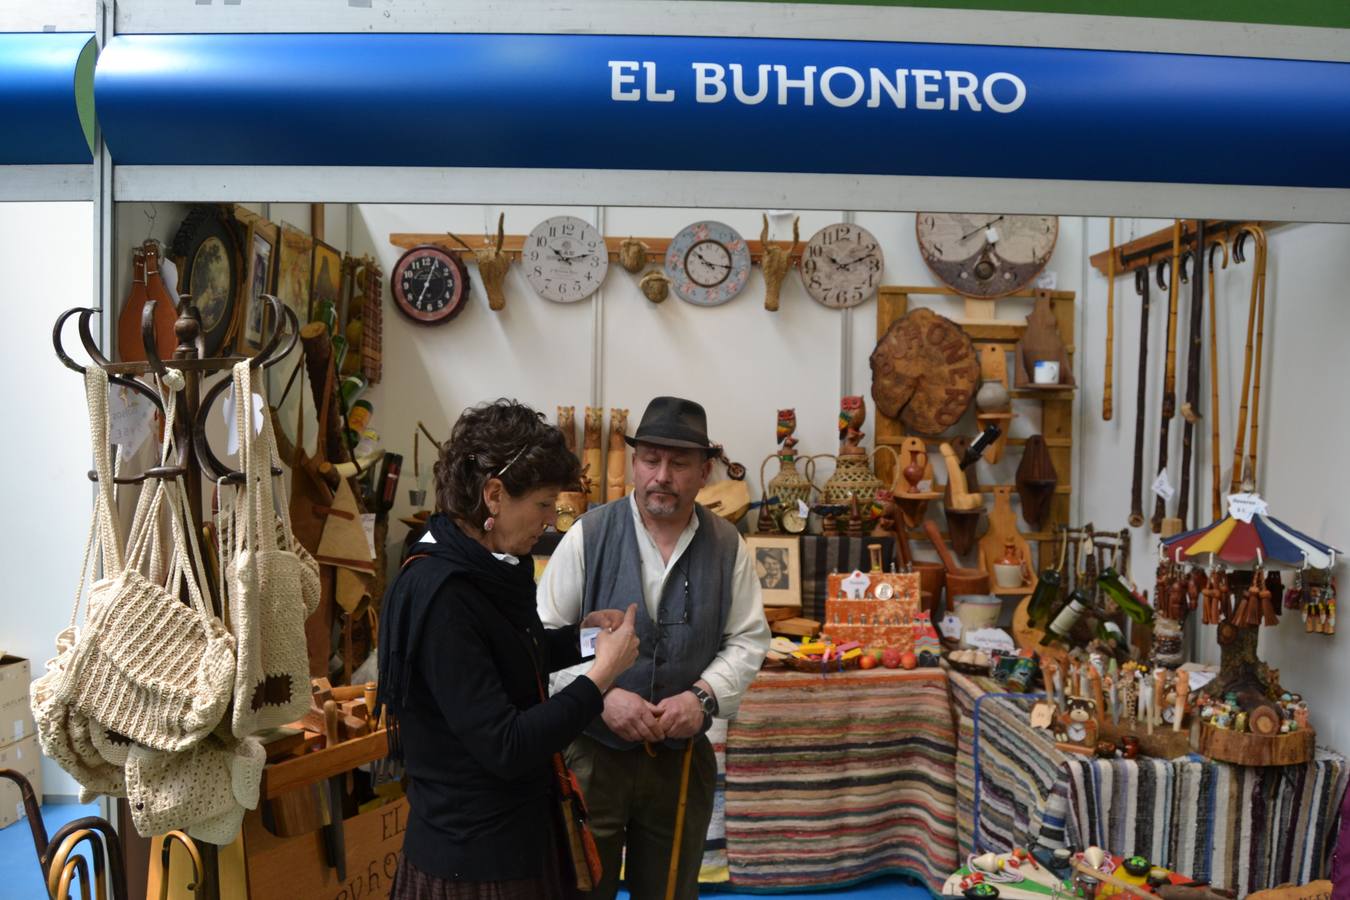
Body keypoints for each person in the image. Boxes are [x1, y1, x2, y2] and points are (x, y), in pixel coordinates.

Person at [378, 399, 641, 899]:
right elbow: (507, 745)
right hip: (474, 868)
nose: (549, 520)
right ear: (493, 494)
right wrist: (600, 678)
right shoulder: (445, 596)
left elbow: (510, 653)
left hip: (508, 842)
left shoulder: (479, 567)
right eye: (543, 504)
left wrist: (587, 639)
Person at [537, 396, 771, 900]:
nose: (661, 475)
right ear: (635, 464)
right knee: (581, 887)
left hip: (680, 757)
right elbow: (541, 639)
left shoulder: (728, 546)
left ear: (704, 472)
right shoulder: (587, 535)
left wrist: (702, 698)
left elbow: (748, 638)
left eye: (679, 463)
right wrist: (598, 695)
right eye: (650, 459)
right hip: (592, 753)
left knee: (669, 890)